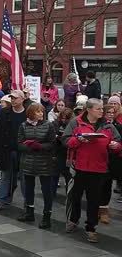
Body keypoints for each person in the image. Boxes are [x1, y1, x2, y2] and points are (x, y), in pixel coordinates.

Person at [64, 98, 121, 243]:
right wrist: (79, 140)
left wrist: (115, 146)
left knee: (94, 200)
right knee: (75, 197)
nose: (102, 111)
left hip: (99, 168)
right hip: (79, 167)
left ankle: (91, 228)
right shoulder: (76, 122)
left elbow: (118, 142)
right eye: (99, 109)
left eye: (102, 109)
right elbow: (66, 141)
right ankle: (73, 220)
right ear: (88, 110)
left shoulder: (108, 126)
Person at [16, 103, 57, 229]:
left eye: (42, 111)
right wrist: (28, 146)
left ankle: (46, 216)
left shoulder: (48, 125)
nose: (41, 114)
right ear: (31, 113)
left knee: (46, 190)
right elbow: (19, 143)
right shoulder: (23, 125)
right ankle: (29, 212)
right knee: (28, 188)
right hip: (28, 161)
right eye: (38, 111)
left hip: (44, 162)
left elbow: (52, 144)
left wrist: (40, 146)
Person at [0, 90, 28, 211]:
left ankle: (27, 203)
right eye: (12, 98)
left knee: (24, 177)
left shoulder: (28, 114)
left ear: (22, 99)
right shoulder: (4, 113)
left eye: (16, 98)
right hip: (7, 150)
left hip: (23, 151)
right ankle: (2, 199)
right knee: (6, 175)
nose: (13, 100)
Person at [52, 108, 74, 199]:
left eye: (66, 118)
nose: (64, 120)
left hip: (68, 154)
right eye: (62, 118)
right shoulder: (55, 124)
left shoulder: (73, 125)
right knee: (54, 175)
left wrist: (61, 138)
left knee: (68, 176)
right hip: (57, 152)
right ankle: (51, 194)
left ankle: (69, 196)